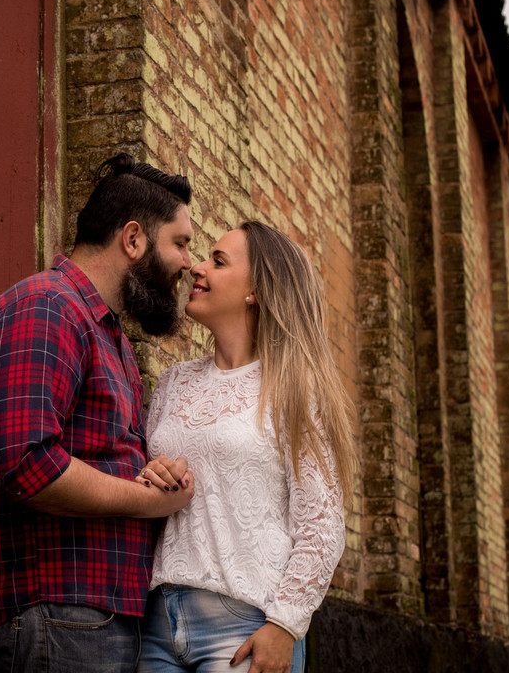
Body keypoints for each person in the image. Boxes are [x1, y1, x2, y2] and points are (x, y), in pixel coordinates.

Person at [0, 153, 199, 672]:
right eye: (180, 243)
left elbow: (97, 455)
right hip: (54, 617)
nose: (188, 262)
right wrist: (145, 500)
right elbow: (26, 464)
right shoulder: (47, 307)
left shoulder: (107, 334)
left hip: (92, 620)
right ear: (133, 239)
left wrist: (154, 474)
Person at [135, 221, 358, 673]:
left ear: (255, 291)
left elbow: (321, 524)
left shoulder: (293, 389)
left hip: (243, 628)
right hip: (156, 623)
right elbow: (147, 492)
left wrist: (285, 624)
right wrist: (150, 477)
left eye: (218, 261)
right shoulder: (175, 382)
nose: (197, 268)